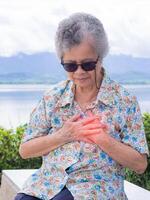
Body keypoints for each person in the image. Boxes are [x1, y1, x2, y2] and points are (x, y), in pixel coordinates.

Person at [14, 12, 149, 200]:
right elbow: (25, 150)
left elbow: (140, 164)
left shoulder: (124, 102)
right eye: (70, 66)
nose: (79, 73)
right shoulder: (52, 98)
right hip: (46, 186)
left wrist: (102, 139)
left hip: (95, 190)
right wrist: (63, 135)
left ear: (101, 57)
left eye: (87, 64)